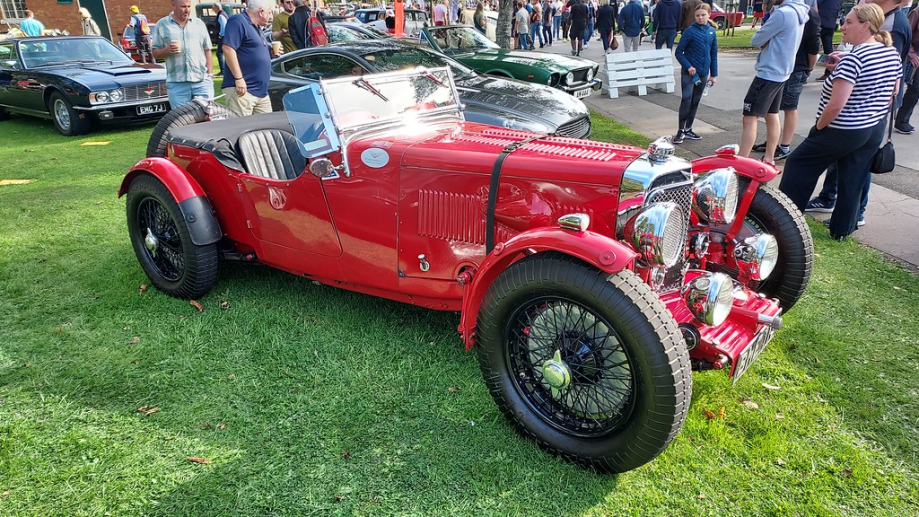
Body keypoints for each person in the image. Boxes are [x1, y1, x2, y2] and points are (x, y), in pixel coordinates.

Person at [780, 3, 902, 240]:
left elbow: (836, 105)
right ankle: (843, 229)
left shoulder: (854, 60)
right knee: (854, 176)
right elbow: (893, 91)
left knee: (798, 164)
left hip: (842, 129)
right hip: (872, 127)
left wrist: (818, 127)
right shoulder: (890, 52)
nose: (842, 26)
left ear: (865, 25)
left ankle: (785, 219)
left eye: (848, 22)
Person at [738, 0, 809, 166]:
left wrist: (766, 38)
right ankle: (769, 158)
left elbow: (756, 40)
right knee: (772, 114)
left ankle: (741, 162)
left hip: (769, 72)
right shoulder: (799, 12)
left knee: (750, 117)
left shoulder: (783, 14)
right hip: (782, 72)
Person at [752, 0, 820, 160]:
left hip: (796, 66)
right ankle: (772, 144)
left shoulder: (806, 14)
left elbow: (813, 45)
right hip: (783, 65)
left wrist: (808, 68)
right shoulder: (783, 10)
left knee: (789, 107)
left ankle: (784, 146)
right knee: (772, 110)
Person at [152, 0, 214, 109]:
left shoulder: (199, 24)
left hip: (201, 81)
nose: (187, 10)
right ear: (173, 5)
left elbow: (207, 50)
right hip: (177, 83)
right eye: (183, 6)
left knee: (207, 117)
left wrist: (210, 74)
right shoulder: (162, 24)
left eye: (189, 6)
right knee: (182, 120)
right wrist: (167, 50)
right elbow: (155, 53)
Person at [673, 3, 718, 143]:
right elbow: (679, 52)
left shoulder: (711, 32)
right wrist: (688, 66)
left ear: (709, 15)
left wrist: (714, 74)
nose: (700, 18)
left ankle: (688, 129)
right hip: (690, 73)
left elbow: (713, 53)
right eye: (697, 15)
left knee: (695, 101)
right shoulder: (689, 31)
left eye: (703, 15)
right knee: (686, 98)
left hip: (704, 73)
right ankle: (680, 130)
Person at [222, 0, 275, 116]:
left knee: (267, 130)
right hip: (242, 91)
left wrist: (270, 52)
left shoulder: (257, 28)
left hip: (261, 92)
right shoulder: (238, 21)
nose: (271, 16)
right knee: (241, 130)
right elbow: (228, 49)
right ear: (261, 12)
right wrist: (239, 78)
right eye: (269, 12)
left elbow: (252, 51)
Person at [894, 1, 918, 133]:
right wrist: (912, 54)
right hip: (916, 57)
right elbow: (907, 35)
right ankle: (902, 121)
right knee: (915, 89)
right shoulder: (916, 12)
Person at [815, 0, 843, 82]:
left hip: (820, 22)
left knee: (810, 46)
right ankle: (829, 72)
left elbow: (815, 5)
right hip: (830, 24)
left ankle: (803, 73)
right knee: (828, 49)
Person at [214, 3, 230, 74]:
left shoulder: (221, 15)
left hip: (223, 37)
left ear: (217, 8)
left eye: (213, 8)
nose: (213, 10)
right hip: (226, 36)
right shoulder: (223, 14)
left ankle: (223, 70)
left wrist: (220, 35)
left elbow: (223, 26)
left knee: (219, 53)